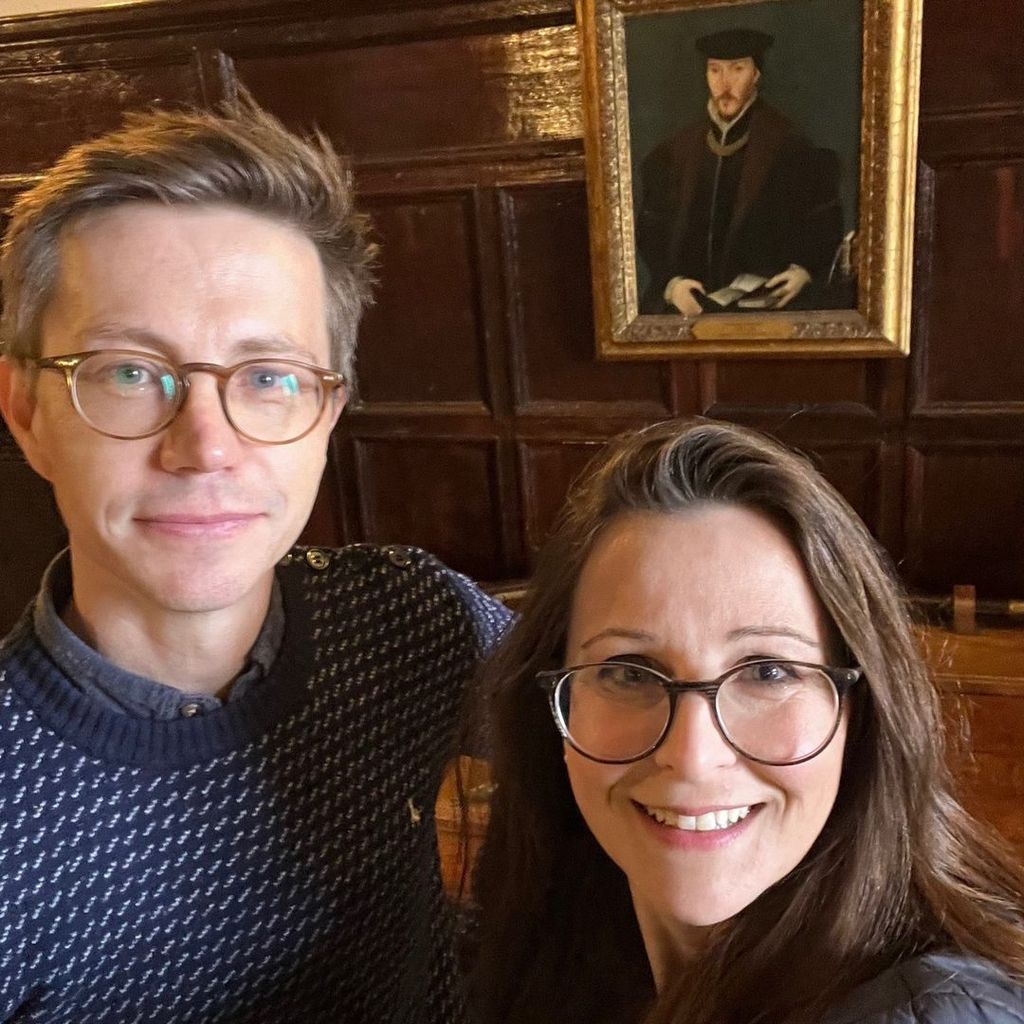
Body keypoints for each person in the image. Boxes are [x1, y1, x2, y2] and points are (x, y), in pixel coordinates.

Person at [0, 95, 509, 1023]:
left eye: (269, 377)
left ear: (327, 413)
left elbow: (626, 722)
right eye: (126, 370)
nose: (205, 446)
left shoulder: (405, 619)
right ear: (26, 409)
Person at [468, 419, 1024, 1024]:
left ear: (858, 713)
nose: (692, 753)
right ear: (554, 708)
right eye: (629, 672)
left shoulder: (932, 1010)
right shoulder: (558, 941)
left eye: (767, 673)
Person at [635, 28, 845, 316]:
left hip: (765, 307)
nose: (724, 83)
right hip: (688, 304)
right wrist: (672, 285)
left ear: (756, 74)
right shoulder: (674, 152)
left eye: (737, 69)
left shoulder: (791, 146)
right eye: (715, 70)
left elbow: (823, 223)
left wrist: (804, 271)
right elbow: (652, 232)